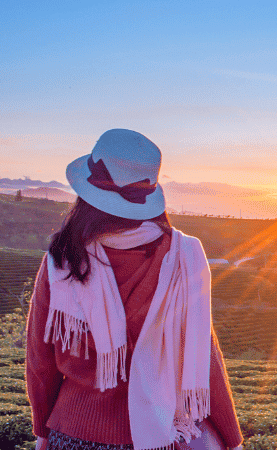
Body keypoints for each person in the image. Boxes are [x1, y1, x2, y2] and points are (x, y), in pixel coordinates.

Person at [26, 129, 244, 450]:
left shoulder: (62, 261)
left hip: (72, 432)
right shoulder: (184, 258)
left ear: (86, 196)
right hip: (160, 436)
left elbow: (40, 362)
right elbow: (204, 359)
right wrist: (232, 439)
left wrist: (42, 432)